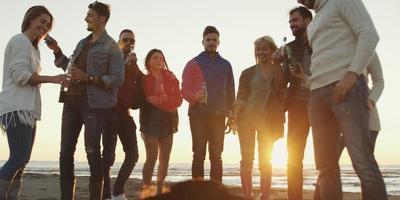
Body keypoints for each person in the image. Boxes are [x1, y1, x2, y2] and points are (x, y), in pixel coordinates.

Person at [297, 0, 387, 199]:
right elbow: (325, 61)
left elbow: (370, 34)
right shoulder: (313, 24)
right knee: (325, 167)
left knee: (362, 161)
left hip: (348, 90)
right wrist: (306, 80)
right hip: (317, 96)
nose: (298, 1)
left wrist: (352, 76)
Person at [46, 1, 124, 199]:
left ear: (102, 19)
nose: (86, 18)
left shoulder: (111, 46)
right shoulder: (82, 43)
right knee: (65, 153)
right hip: (70, 102)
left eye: (90, 15)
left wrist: (89, 77)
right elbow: (70, 69)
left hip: (93, 105)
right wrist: (56, 51)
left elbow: (117, 79)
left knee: (92, 152)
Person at [0, 6, 69, 199]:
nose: (44, 26)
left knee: (23, 161)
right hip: (16, 107)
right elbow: (20, 75)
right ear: (30, 19)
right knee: (18, 158)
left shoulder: (33, 49)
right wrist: (53, 79)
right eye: (41, 21)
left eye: (47, 25)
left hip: (28, 111)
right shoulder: (19, 40)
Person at [313, 53, 385, 200]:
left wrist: (370, 102)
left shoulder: (367, 48)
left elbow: (379, 81)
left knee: (365, 168)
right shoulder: (333, 46)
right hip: (335, 116)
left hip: (366, 120)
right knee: (327, 167)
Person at [231, 36, 286, 200]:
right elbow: (241, 96)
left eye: (264, 49)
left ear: (272, 50)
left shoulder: (279, 70)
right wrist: (234, 114)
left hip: (268, 122)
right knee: (247, 160)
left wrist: (279, 64)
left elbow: (282, 89)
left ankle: (264, 196)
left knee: (265, 162)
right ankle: (248, 196)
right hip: (246, 121)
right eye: (258, 49)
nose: (261, 52)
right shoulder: (247, 73)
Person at [181, 26, 235, 183]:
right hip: (197, 115)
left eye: (214, 40)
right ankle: (198, 193)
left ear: (219, 42)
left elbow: (231, 92)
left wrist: (232, 115)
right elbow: (184, 90)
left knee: (216, 156)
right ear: (203, 41)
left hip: (219, 115)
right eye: (208, 40)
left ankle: (215, 193)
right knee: (198, 155)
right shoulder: (193, 63)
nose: (211, 42)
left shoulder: (226, 65)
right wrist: (194, 95)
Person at [272, 6, 313, 200]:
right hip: (297, 107)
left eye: (295, 20)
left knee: (327, 158)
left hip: (322, 103)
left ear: (307, 20)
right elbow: (283, 81)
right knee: (294, 159)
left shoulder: (322, 42)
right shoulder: (291, 48)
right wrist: (278, 64)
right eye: (290, 22)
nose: (292, 25)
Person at [102, 29, 145, 200]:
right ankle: (105, 195)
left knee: (133, 155)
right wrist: (125, 66)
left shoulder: (135, 67)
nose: (129, 42)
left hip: (125, 115)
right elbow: (108, 83)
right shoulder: (111, 60)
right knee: (108, 157)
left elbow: (143, 87)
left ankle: (118, 191)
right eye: (125, 39)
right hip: (109, 113)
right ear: (119, 41)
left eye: (131, 40)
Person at [140, 49, 182, 195]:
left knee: (164, 160)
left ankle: (158, 191)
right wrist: (148, 99)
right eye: (155, 58)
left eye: (161, 58)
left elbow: (179, 100)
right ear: (148, 62)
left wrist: (166, 99)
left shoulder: (171, 78)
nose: (159, 60)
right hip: (150, 122)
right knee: (151, 157)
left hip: (168, 122)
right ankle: (145, 190)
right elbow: (139, 99)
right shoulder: (144, 79)